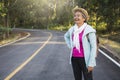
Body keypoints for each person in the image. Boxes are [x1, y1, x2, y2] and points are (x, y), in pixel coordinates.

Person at [64, 6, 97, 80]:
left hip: (86, 60)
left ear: (84, 18)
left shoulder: (89, 30)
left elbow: (93, 47)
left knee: (88, 78)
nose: (76, 17)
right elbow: (66, 36)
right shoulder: (72, 29)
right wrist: (70, 45)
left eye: (78, 16)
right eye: (75, 16)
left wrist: (91, 63)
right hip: (74, 59)